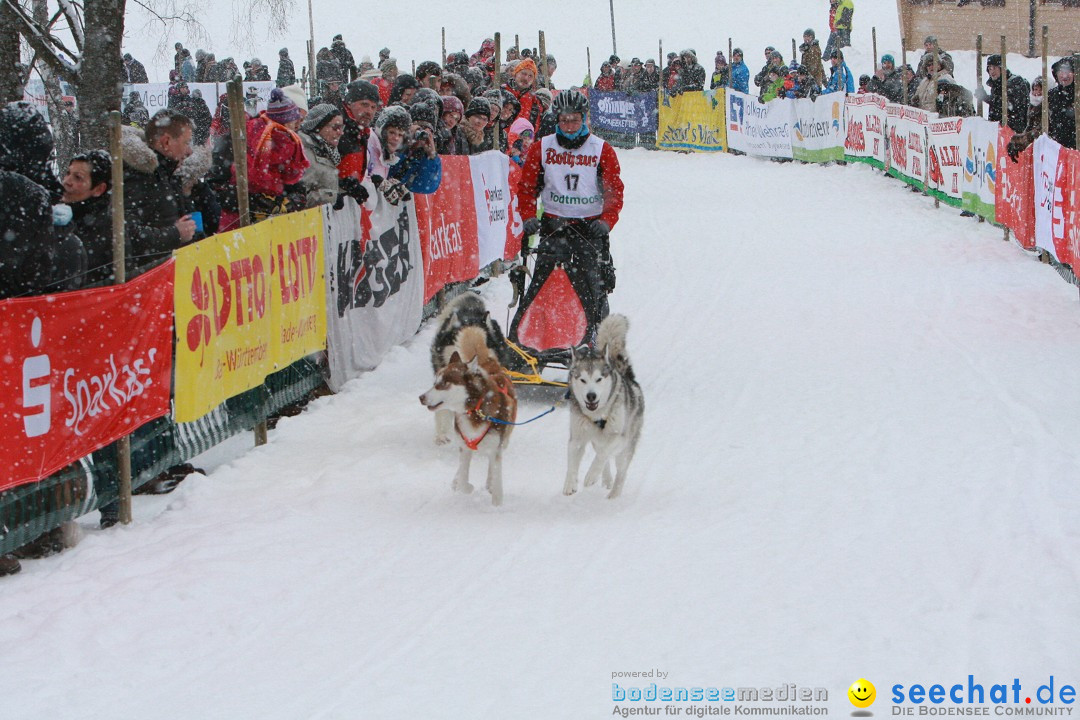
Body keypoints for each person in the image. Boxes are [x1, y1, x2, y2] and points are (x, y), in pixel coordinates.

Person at [514, 90, 624, 345]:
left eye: (575, 120)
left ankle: (593, 335)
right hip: (554, 226)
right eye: (564, 120)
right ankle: (531, 338)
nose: (569, 125)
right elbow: (527, 187)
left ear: (584, 119)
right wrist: (529, 216)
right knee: (542, 286)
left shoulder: (601, 150)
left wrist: (607, 220)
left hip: (589, 229)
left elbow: (613, 190)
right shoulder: (542, 147)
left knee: (590, 287)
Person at [121, 109, 199, 276]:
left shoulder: (169, 173)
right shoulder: (140, 176)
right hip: (150, 281)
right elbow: (128, 236)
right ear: (166, 142)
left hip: (171, 276)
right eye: (186, 143)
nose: (189, 151)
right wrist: (175, 234)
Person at [369, 104, 442, 201]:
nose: (421, 135)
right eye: (419, 129)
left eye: (428, 132)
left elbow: (425, 187)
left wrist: (431, 156)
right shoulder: (378, 144)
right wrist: (404, 147)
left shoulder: (421, 157)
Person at [63, 150, 114, 286]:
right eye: (68, 173)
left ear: (99, 189)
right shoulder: (55, 212)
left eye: (78, 177)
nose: (67, 181)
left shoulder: (109, 228)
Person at [337, 79, 381, 183]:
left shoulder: (362, 131)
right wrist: (343, 185)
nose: (369, 111)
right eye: (364, 104)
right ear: (349, 103)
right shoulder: (337, 128)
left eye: (373, 107)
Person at [972, 55, 1029, 133]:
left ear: (1001, 68)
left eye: (994, 68)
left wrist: (986, 98)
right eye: (989, 68)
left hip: (1013, 132)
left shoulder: (1015, 82)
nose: (992, 71)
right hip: (998, 132)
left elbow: (1009, 105)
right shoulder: (996, 85)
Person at [501, 57, 542, 131]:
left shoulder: (535, 102)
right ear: (515, 74)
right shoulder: (501, 92)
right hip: (500, 139)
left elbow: (534, 129)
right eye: (524, 73)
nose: (526, 78)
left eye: (530, 76)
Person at [1048, 56, 1076, 149]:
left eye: (1068, 72)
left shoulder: (1077, 95)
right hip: (1057, 151)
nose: (1064, 76)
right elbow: (1040, 123)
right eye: (1061, 71)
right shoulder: (1051, 95)